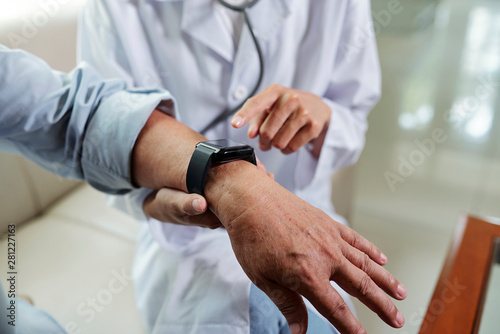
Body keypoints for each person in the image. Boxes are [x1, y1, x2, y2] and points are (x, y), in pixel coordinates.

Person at [78, 0, 407, 333]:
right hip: (186, 234)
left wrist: (322, 117)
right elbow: (106, 146)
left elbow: (354, 121)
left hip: (303, 209)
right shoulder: (114, 8)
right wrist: (153, 201)